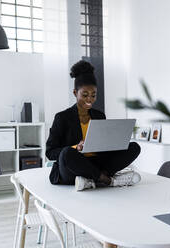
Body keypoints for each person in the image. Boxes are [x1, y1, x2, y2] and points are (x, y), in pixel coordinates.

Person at [46, 60, 141, 191]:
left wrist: (114, 143)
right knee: (67, 152)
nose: (89, 99)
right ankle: (104, 179)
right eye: (84, 95)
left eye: (93, 95)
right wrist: (76, 147)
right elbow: (50, 152)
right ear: (75, 93)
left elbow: (104, 146)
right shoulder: (62, 117)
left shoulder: (99, 115)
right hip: (73, 167)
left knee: (134, 147)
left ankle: (91, 179)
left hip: (97, 163)